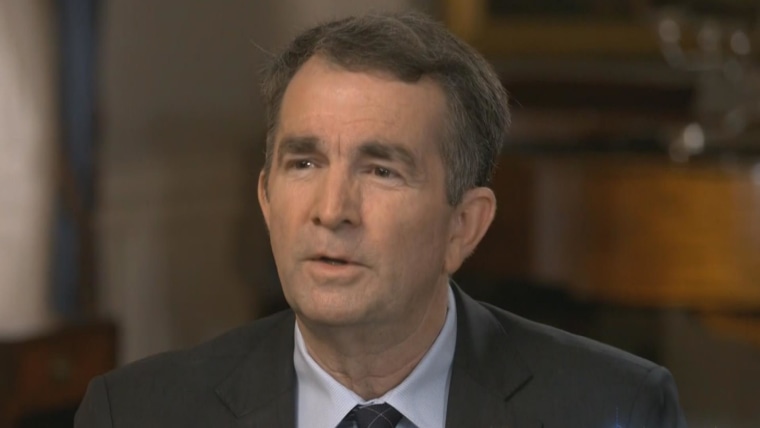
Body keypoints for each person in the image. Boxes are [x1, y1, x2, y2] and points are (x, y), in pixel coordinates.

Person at [75, 11, 687, 428]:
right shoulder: (134, 414)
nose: (331, 211)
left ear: (463, 226)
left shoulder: (614, 408)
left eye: (381, 171)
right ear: (266, 199)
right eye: (304, 163)